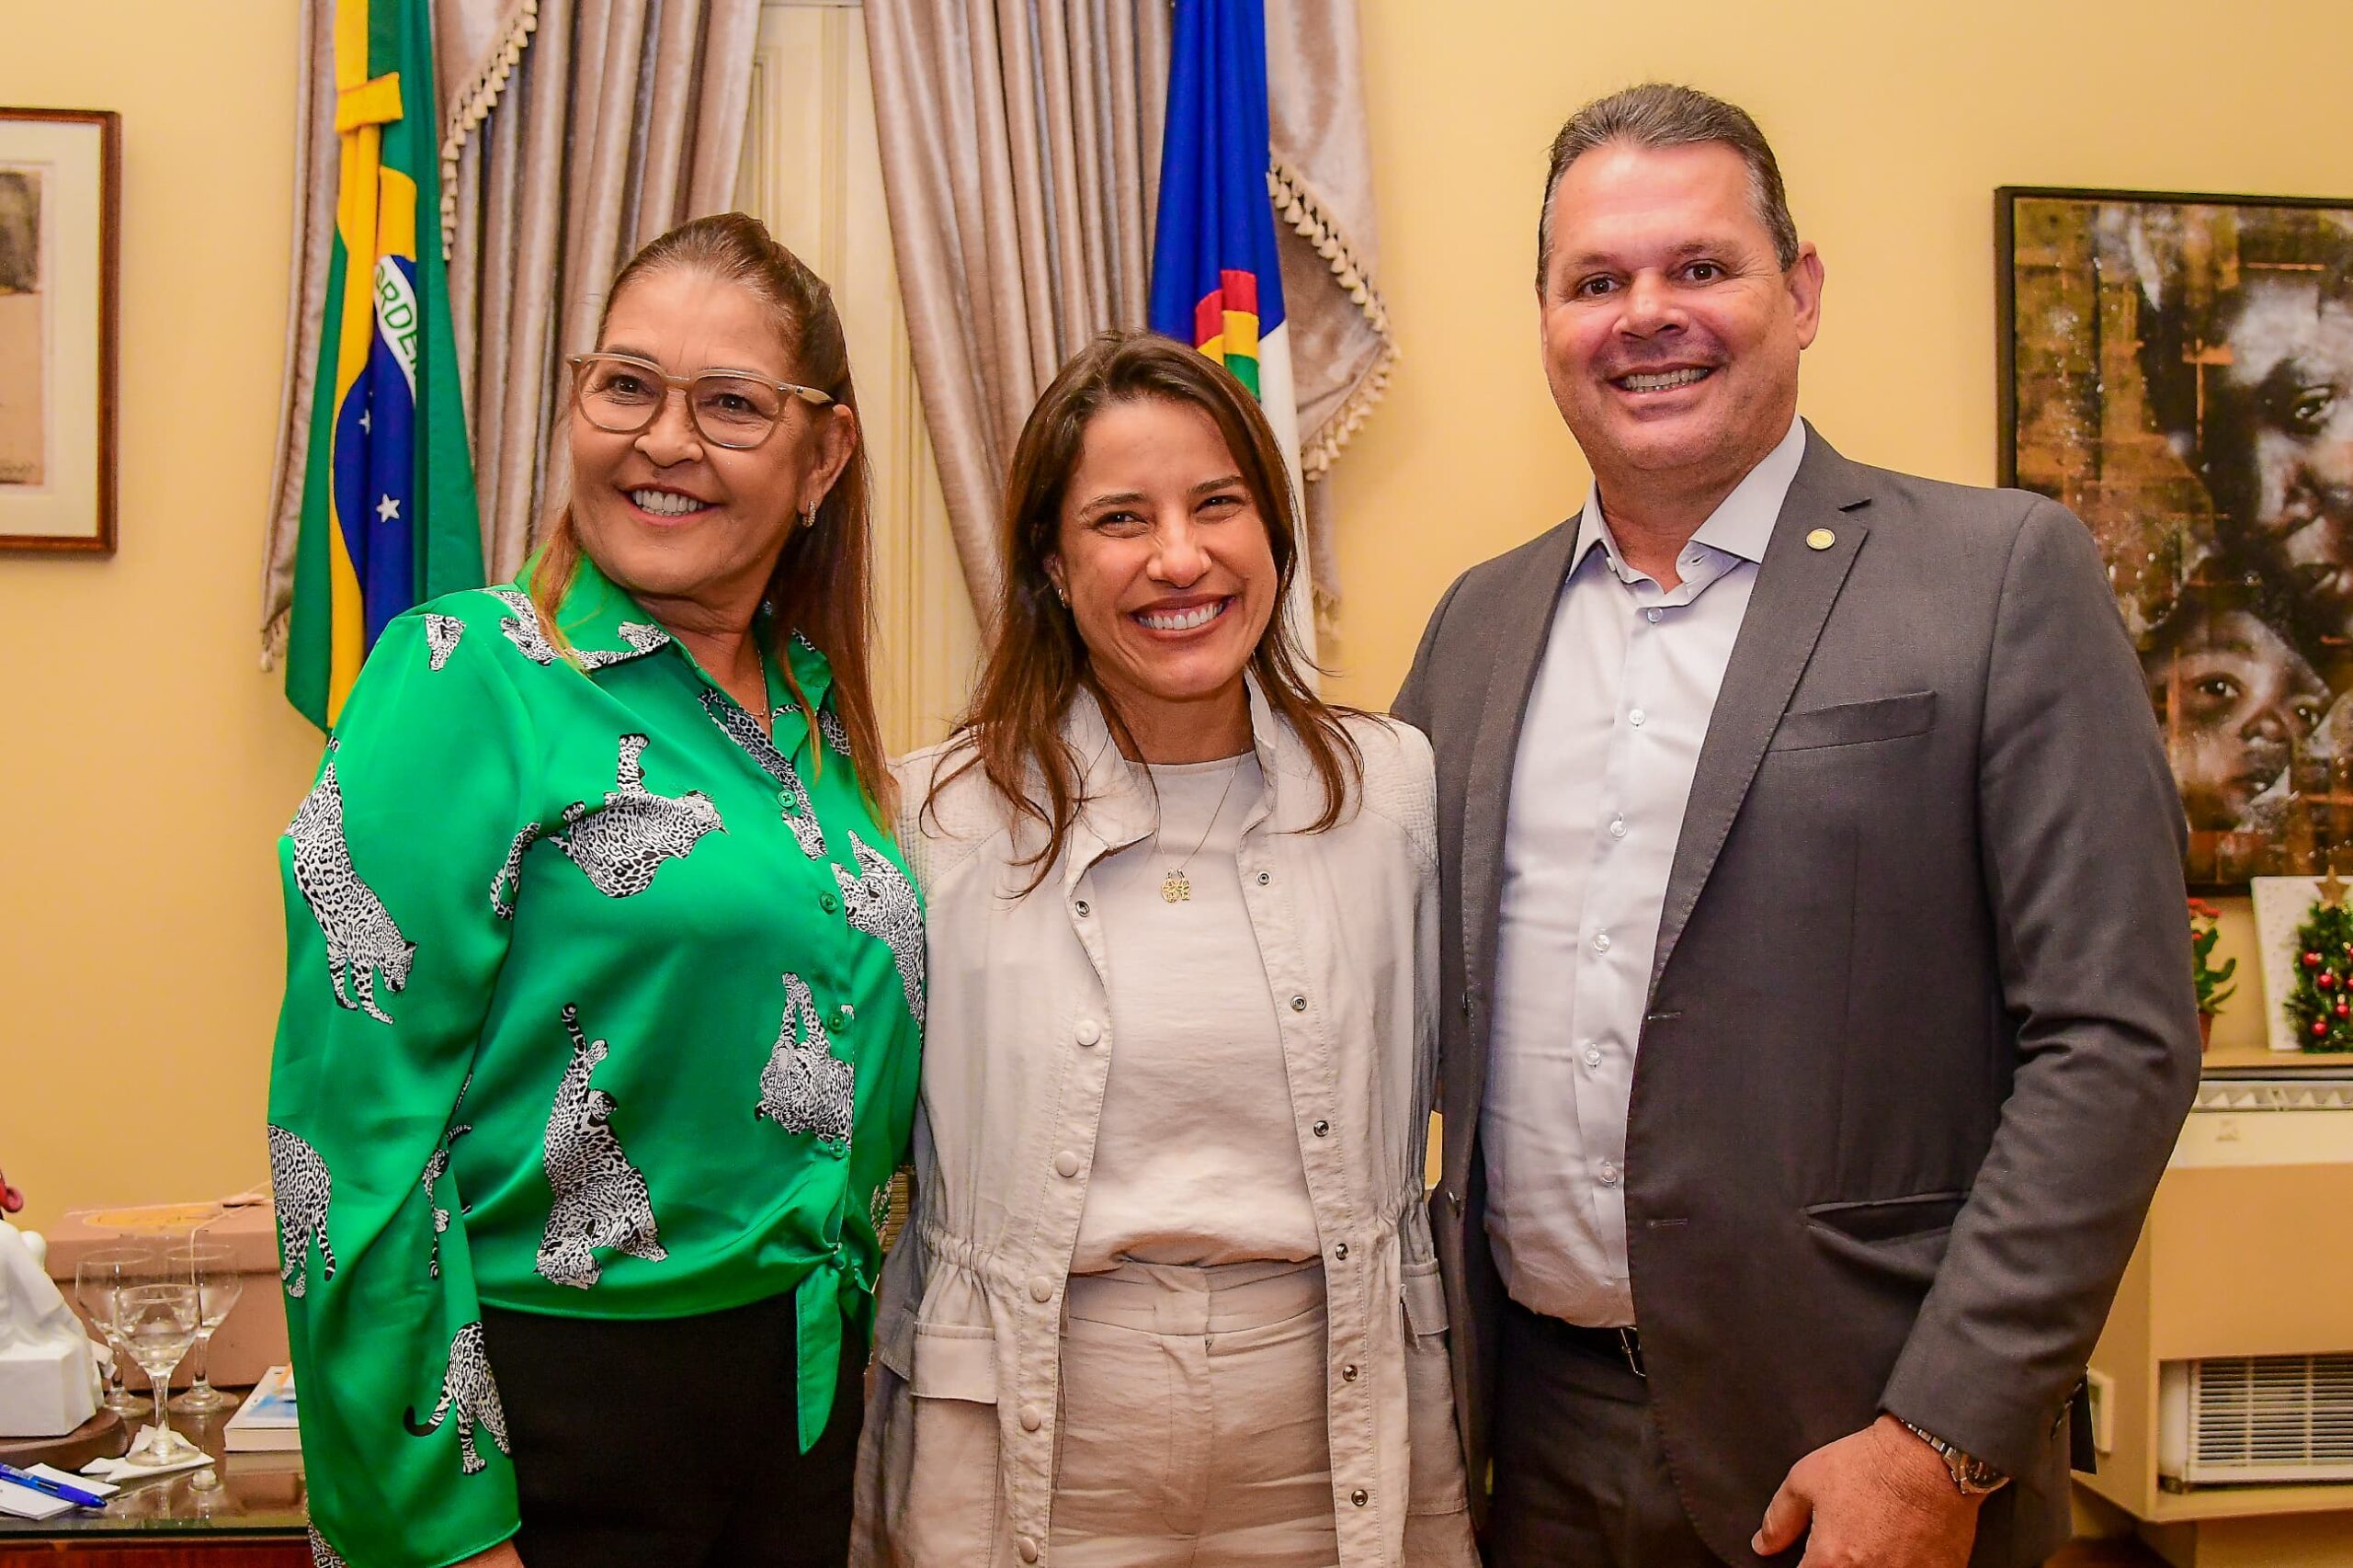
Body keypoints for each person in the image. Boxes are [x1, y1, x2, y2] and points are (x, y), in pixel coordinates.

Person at [1393, 84, 2201, 1568]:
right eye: (1597, 281)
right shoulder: (1478, 624)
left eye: (1699, 267)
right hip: (1535, 1450)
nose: (1647, 314)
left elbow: (2118, 1034)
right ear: (1548, 321)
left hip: (1863, 1463)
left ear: (1801, 290)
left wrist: (1941, 1437)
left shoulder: (2000, 577)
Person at [267, 212, 922, 1568]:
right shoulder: (468, 676)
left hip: (796, 1414)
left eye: (733, 404)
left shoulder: (814, 716)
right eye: (626, 384)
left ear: (825, 455)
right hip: (543, 1426)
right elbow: (349, 1144)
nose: (664, 441)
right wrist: (440, 1534)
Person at [853, 331, 1476, 1568]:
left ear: (1273, 536)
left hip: (1331, 1426)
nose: (1179, 557)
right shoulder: (935, 819)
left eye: (1217, 505)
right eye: (1122, 518)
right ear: (1053, 561)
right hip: (1035, 1429)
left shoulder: (1394, 788)